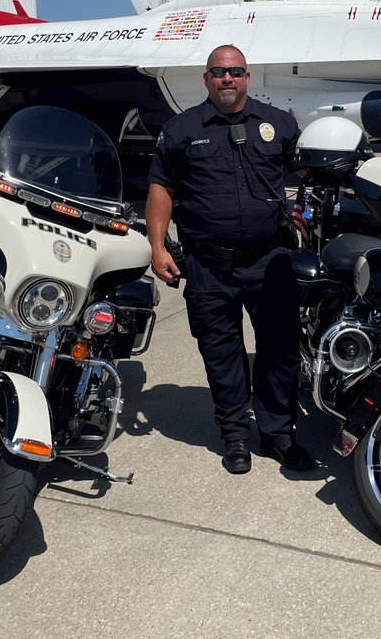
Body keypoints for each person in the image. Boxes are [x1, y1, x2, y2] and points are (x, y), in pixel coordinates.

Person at [147, 45, 314, 475]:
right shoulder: (181, 129)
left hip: (270, 261)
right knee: (222, 354)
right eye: (219, 72)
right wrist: (158, 247)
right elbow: (161, 188)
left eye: (235, 71)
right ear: (206, 79)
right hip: (208, 265)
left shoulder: (277, 124)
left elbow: (311, 172)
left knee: (280, 351)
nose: (227, 79)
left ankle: (278, 435)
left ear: (247, 77)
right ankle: (235, 435)